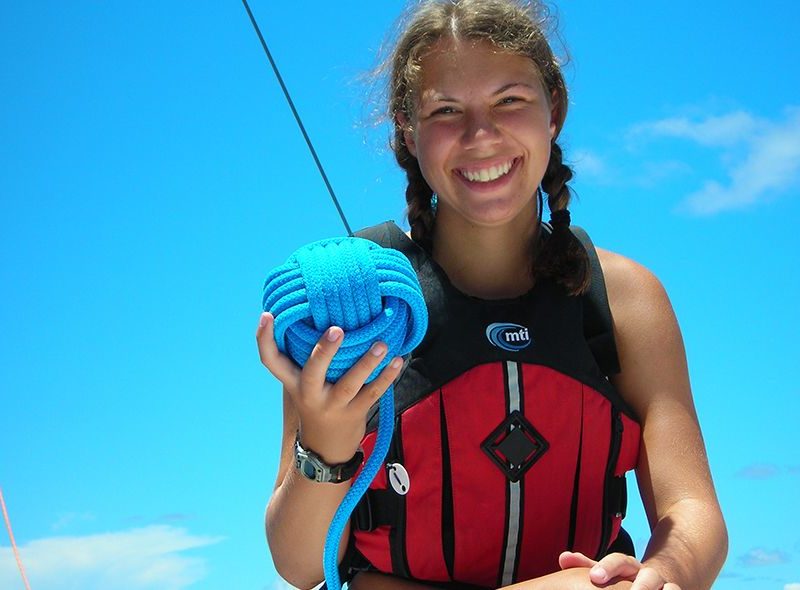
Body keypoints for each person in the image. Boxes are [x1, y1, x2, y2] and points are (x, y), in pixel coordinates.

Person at [256, 1, 727, 588]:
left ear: (553, 109)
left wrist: (667, 572)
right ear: (407, 128)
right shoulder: (357, 306)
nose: (481, 136)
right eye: (446, 110)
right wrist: (323, 448)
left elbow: (694, 510)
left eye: (510, 100)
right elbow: (300, 566)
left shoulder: (624, 299)